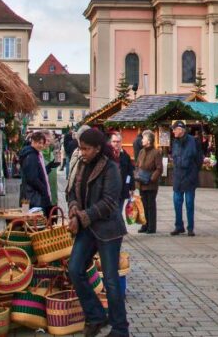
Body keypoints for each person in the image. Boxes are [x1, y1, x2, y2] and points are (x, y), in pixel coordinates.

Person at [65, 128, 128, 337]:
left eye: (86, 149)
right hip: (87, 227)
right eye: (80, 148)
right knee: (74, 269)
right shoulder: (82, 165)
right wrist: (74, 208)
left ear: (98, 148)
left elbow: (109, 202)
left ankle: (120, 328)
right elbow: (72, 190)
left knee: (110, 280)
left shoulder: (111, 169)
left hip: (108, 230)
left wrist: (82, 216)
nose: (82, 152)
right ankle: (96, 316)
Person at [169, 121, 202, 236]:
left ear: (181, 130)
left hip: (189, 176)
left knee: (189, 203)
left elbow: (199, 158)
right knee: (177, 202)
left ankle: (190, 228)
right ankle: (179, 226)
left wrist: (194, 171)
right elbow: (174, 156)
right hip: (178, 176)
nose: (173, 131)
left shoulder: (193, 141)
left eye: (174, 129)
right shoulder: (175, 142)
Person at [19, 132, 56, 213]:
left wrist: (50, 166)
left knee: (27, 216)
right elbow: (32, 178)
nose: (41, 146)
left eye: (42, 143)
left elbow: (38, 172)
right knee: (34, 221)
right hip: (32, 196)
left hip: (27, 195)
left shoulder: (34, 154)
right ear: (32, 141)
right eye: (39, 143)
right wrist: (44, 190)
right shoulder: (31, 156)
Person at [134, 130, 162, 234]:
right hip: (141, 183)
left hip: (151, 184)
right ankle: (144, 225)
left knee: (150, 206)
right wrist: (136, 174)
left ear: (149, 141)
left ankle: (151, 227)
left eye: (144, 138)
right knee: (143, 206)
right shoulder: (141, 152)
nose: (142, 140)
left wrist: (152, 178)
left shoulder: (156, 153)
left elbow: (159, 168)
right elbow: (137, 165)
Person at [109, 132, 135, 203]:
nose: (116, 143)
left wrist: (130, 186)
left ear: (121, 142)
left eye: (118, 141)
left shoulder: (126, 156)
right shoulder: (107, 155)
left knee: (118, 212)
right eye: (114, 141)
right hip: (109, 190)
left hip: (122, 189)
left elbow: (129, 173)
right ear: (111, 142)